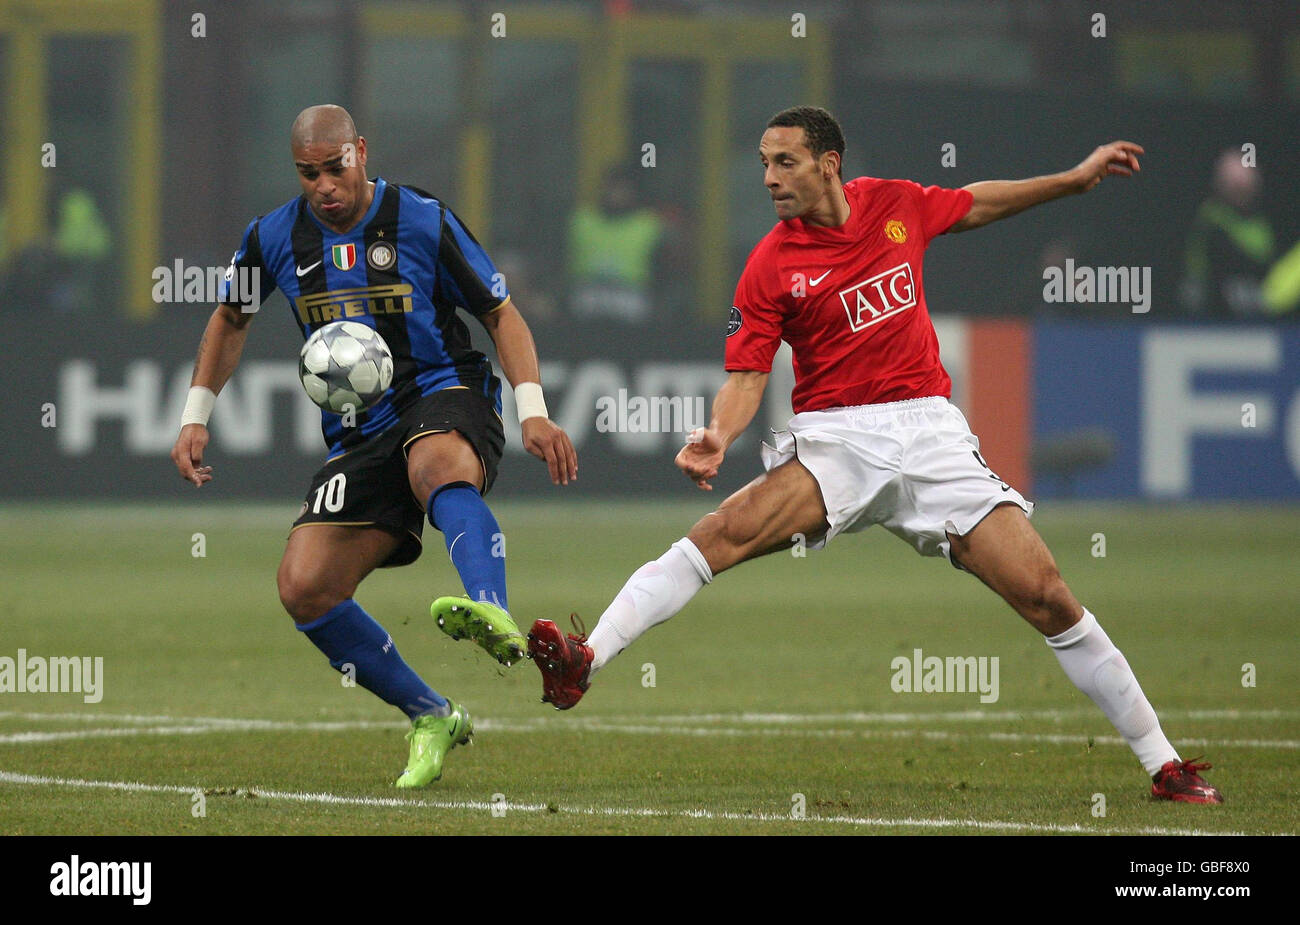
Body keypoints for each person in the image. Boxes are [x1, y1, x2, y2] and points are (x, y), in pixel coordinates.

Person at [529, 106, 1222, 804]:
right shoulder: (771, 262)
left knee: (1047, 595)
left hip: (929, 435)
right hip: (840, 440)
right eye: (764, 163)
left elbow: (977, 202)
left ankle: (1163, 764)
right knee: (719, 535)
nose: (768, 177)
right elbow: (747, 375)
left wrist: (1072, 181)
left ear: (828, 163)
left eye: (784, 161)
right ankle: (585, 662)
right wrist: (720, 434)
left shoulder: (895, 204)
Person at [170, 104, 577, 788]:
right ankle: (431, 714)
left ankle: (490, 606)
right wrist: (194, 414)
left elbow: (499, 313)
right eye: (309, 173)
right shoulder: (273, 236)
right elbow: (230, 317)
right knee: (305, 585)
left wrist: (534, 409)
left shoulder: (421, 218)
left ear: (360, 151)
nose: (325, 184)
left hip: (445, 391)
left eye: (336, 166)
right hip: (361, 430)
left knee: (436, 460)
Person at [1181, 149, 1275, 317]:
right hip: (1209, 304)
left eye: (1245, 185)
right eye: (1233, 184)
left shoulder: (1263, 222)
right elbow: (1213, 262)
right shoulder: (1211, 218)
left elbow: (1265, 258)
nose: (1240, 190)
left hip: (1258, 307)